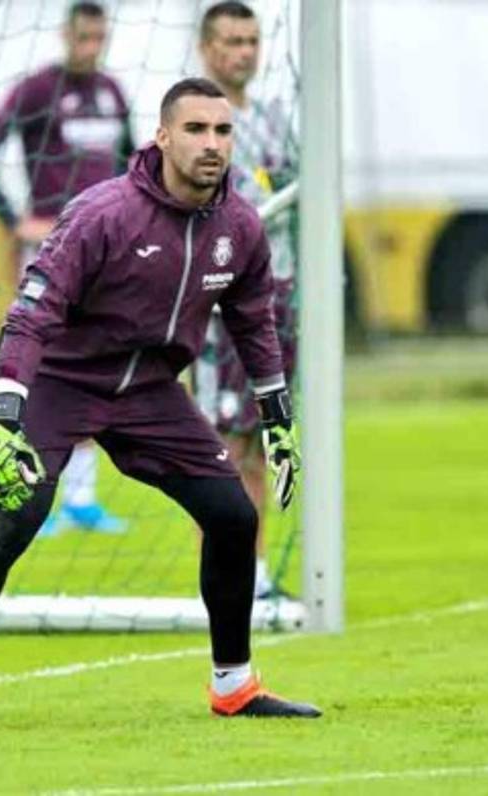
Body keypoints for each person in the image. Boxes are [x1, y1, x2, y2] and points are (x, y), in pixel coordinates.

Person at [0, 78, 320, 734]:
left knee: (232, 516)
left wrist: (278, 417)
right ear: (162, 136)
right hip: (65, 383)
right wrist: (8, 409)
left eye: (222, 131)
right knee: (18, 513)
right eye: (196, 130)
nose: (211, 144)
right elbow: (31, 314)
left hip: (150, 393)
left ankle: (234, 684)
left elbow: (253, 323)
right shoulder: (103, 213)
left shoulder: (241, 226)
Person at [0, 0, 134, 536]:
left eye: (98, 38)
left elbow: (132, 165)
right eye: (82, 38)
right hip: (52, 247)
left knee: (96, 364)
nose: (90, 48)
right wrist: (16, 222)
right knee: (40, 368)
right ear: (66, 35)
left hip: (107, 249)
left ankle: (81, 499)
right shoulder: (37, 90)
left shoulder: (112, 92)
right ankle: (28, 489)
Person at [193, 1, 298, 598]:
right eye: (232, 40)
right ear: (208, 48)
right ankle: (224, 580)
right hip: (219, 309)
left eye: (252, 40)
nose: (244, 51)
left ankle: (253, 576)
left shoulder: (276, 119)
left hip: (277, 300)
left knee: (262, 438)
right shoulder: (198, 123)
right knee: (221, 446)